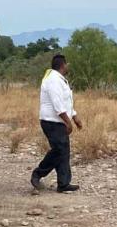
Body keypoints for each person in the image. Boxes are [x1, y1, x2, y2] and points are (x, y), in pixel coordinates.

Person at [31, 54, 82, 192]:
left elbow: (66, 102)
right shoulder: (53, 80)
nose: (68, 67)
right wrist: (68, 122)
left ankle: (63, 183)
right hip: (51, 121)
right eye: (67, 64)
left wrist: (75, 117)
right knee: (59, 150)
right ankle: (38, 173)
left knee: (63, 151)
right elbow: (57, 103)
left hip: (58, 121)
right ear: (62, 65)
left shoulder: (60, 80)